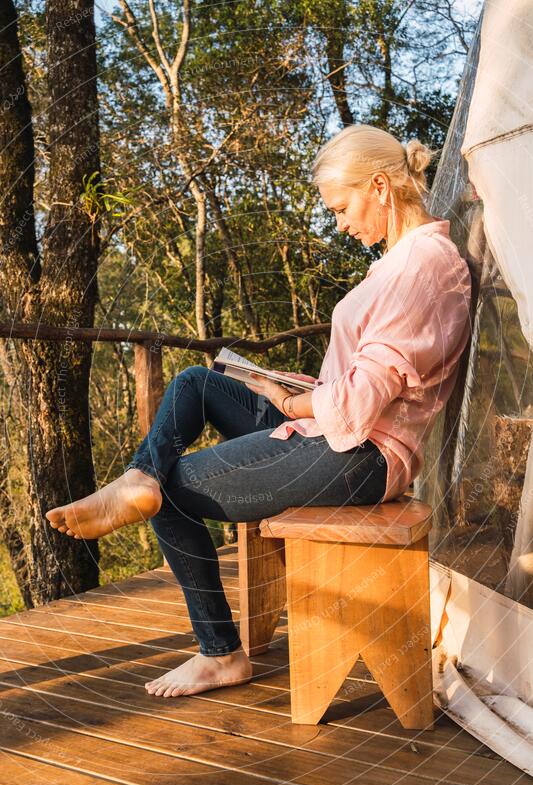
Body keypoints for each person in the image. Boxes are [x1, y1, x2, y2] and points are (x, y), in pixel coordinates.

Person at [44, 124, 472, 699]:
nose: (340, 224)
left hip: (361, 456)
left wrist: (298, 402)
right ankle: (138, 475)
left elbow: (360, 404)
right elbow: (364, 381)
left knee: (172, 492)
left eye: (342, 208)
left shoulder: (421, 268)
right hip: (338, 433)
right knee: (199, 381)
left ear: (379, 186)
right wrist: (279, 387)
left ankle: (220, 654)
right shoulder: (406, 262)